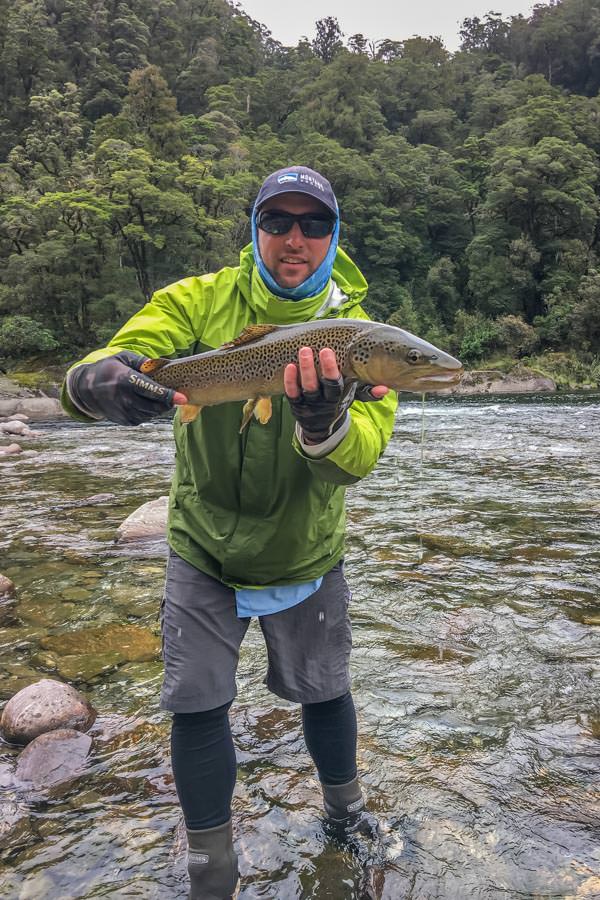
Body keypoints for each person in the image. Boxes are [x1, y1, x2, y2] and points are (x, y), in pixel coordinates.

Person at [61, 165, 398, 900]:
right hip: (203, 546)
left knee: (327, 689)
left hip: (305, 546)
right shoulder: (198, 302)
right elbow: (106, 360)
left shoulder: (363, 339)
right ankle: (211, 867)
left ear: (335, 238)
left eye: (314, 224)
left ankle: (347, 818)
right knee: (197, 702)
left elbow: (358, 460)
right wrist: (98, 383)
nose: (295, 239)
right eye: (277, 221)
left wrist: (324, 423)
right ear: (255, 231)